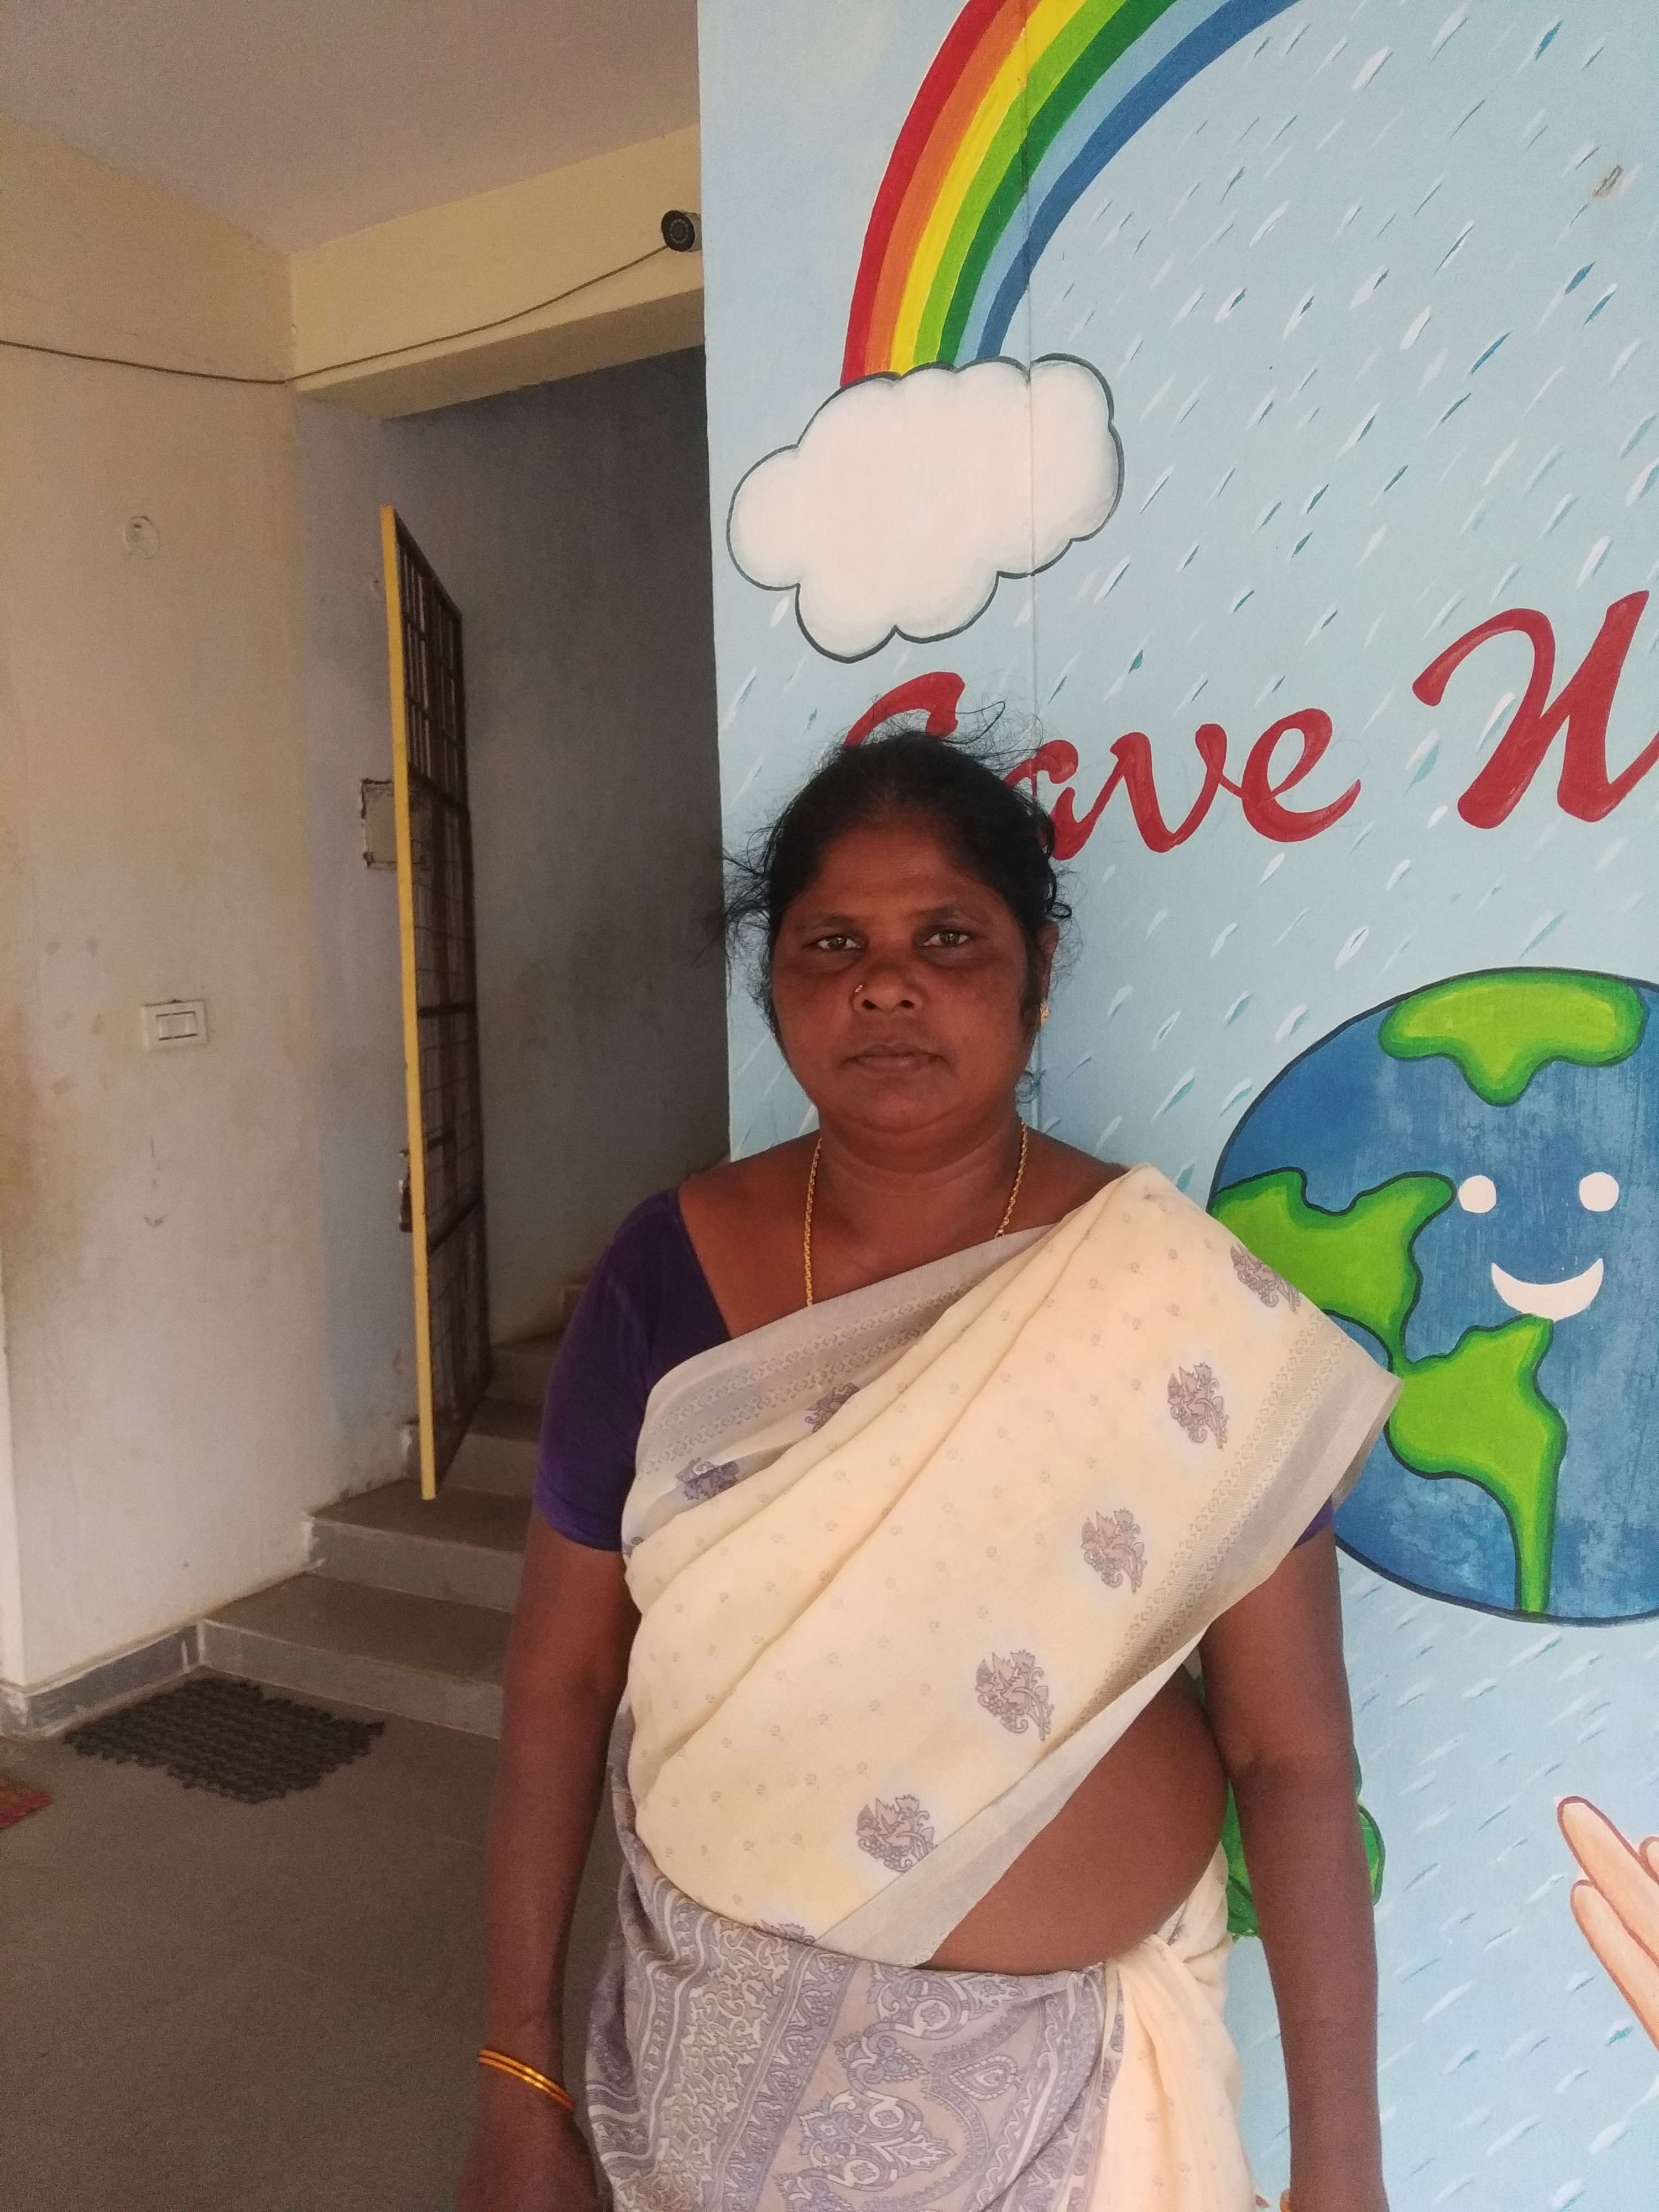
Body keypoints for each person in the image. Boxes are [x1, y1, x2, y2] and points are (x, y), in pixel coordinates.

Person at [458, 732, 1396, 2212]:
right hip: (716, 2077)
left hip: (1091, 2103)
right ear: (776, 981)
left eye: (946, 937)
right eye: (832, 943)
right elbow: (564, 1678)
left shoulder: (1173, 1301)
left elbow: (1292, 1756)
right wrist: (517, 2073)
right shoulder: (662, 1272)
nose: (884, 984)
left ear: (1038, 968)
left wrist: (1342, 2166)